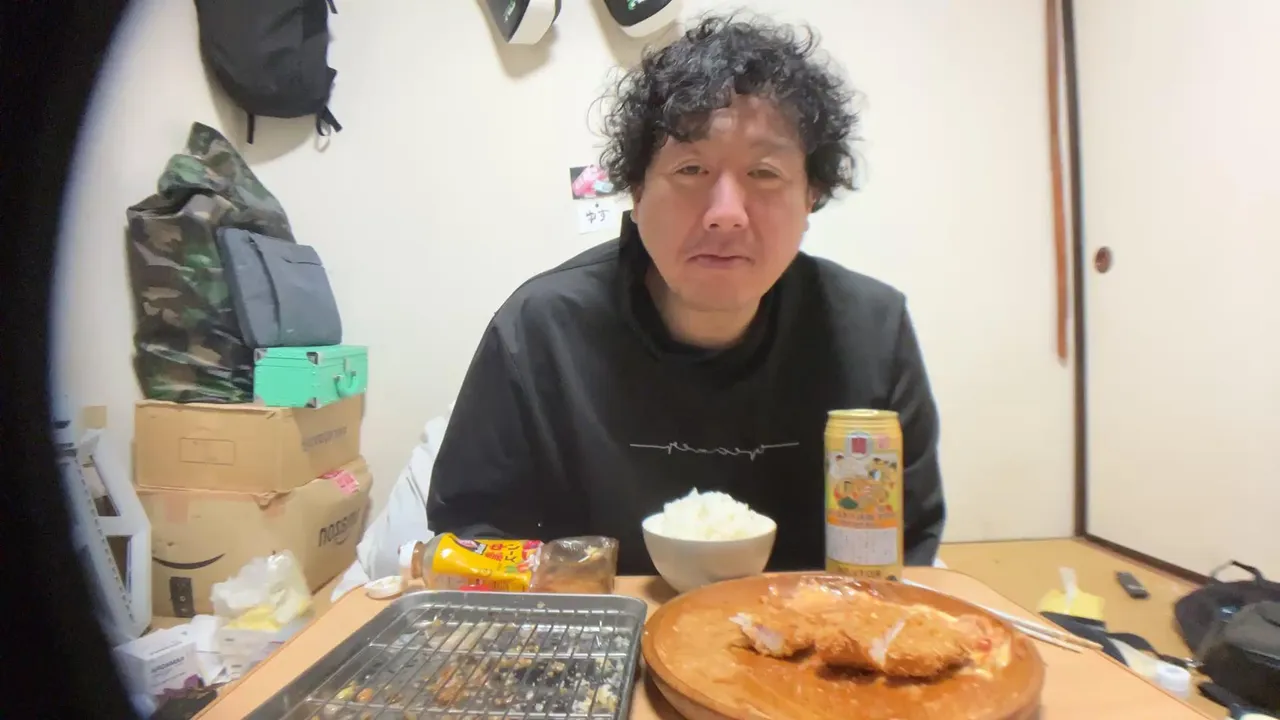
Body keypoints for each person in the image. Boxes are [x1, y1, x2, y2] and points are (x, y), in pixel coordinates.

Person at [427, 14, 945, 575]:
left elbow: (907, 548)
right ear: (637, 189)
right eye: (691, 168)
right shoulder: (539, 331)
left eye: (765, 173)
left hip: (816, 627)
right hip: (602, 622)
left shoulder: (872, 333)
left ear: (810, 196)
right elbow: (474, 536)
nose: (726, 213)